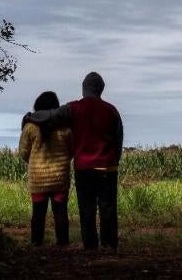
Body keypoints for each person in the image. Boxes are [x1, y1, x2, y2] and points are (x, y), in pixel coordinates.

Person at [23, 72, 123, 251]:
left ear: (84, 89)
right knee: (107, 207)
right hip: (106, 167)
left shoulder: (74, 108)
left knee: (87, 208)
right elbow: (118, 139)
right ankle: (109, 244)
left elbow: (50, 116)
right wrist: (114, 160)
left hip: (84, 168)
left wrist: (30, 116)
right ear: (101, 89)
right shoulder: (111, 110)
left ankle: (90, 245)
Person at [18, 91, 72, 246]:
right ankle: (63, 244)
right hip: (60, 178)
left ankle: (36, 244)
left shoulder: (30, 127)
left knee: (38, 214)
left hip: (38, 179)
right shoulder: (64, 126)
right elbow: (71, 150)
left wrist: (35, 161)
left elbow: (23, 152)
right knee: (60, 212)